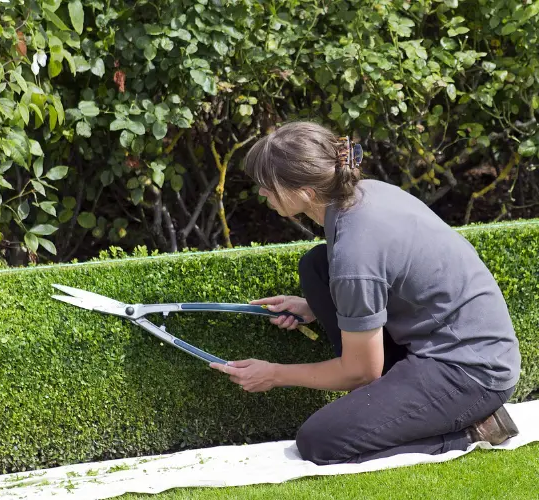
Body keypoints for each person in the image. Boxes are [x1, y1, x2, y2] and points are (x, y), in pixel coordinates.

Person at [209, 121, 521, 465]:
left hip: (470, 371)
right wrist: (312, 307)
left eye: (267, 186)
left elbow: (361, 372)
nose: (262, 194)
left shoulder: (354, 253)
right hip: (453, 341)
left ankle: (471, 430)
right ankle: (391, 406)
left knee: (320, 442)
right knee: (316, 267)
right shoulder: (363, 194)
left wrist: (275, 373)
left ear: (305, 191)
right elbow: (378, 278)